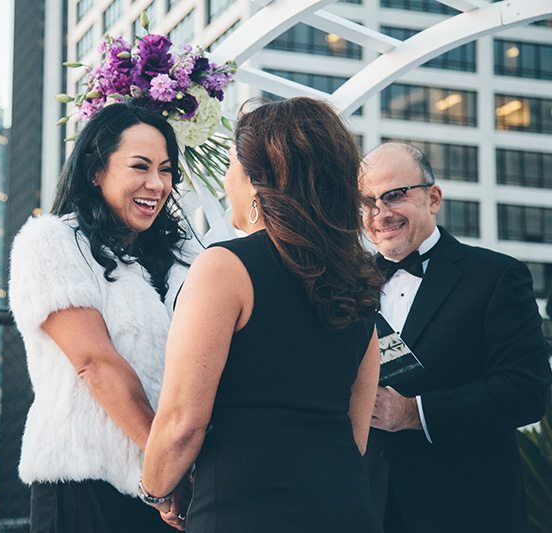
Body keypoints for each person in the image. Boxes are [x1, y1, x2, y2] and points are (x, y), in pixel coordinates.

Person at [140, 97, 384, 532]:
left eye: (232, 165)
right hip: (345, 508)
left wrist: (158, 489)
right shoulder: (359, 277)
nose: (227, 180)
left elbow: (181, 422)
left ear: (257, 183)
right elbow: (357, 433)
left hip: (245, 508)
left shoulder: (224, 268)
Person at [8, 102, 198, 532]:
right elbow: (94, 363)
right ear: (97, 172)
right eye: (140, 166)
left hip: (176, 488)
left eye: (166, 170)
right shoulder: (53, 243)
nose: (156, 183)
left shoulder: (188, 256)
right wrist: (164, 470)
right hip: (85, 487)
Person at [360, 142, 552, 532]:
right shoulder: (348, 283)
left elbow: (526, 392)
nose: (380, 213)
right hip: (363, 509)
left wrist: (414, 413)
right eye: (366, 202)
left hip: (464, 511)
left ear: (433, 198)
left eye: (394, 195)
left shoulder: (497, 277)